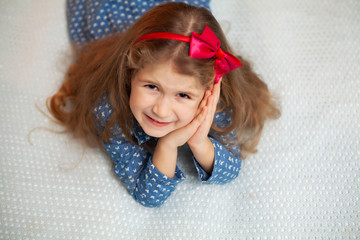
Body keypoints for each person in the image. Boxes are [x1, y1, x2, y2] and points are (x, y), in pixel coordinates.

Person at [48, 1, 280, 207]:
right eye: (152, 87)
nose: (161, 110)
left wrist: (199, 142)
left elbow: (230, 170)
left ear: (208, 89)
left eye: (183, 95)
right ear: (130, 71)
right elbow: (148, 194)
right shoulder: (107, 108)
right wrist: (168, 146)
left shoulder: (215, 101)